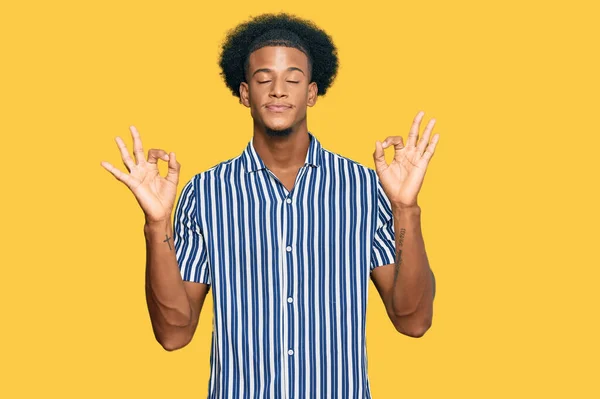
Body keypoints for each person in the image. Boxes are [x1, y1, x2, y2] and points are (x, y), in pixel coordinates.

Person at [101, 12, 438, 399]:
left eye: (293, 79)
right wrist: (156, 224)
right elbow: (174, 334)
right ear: (245, 93)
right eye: (264, 80)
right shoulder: (206, 192)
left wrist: (406, 208)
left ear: (311, 92)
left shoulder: (364, 187)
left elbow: (414, 321)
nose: (278, 90)